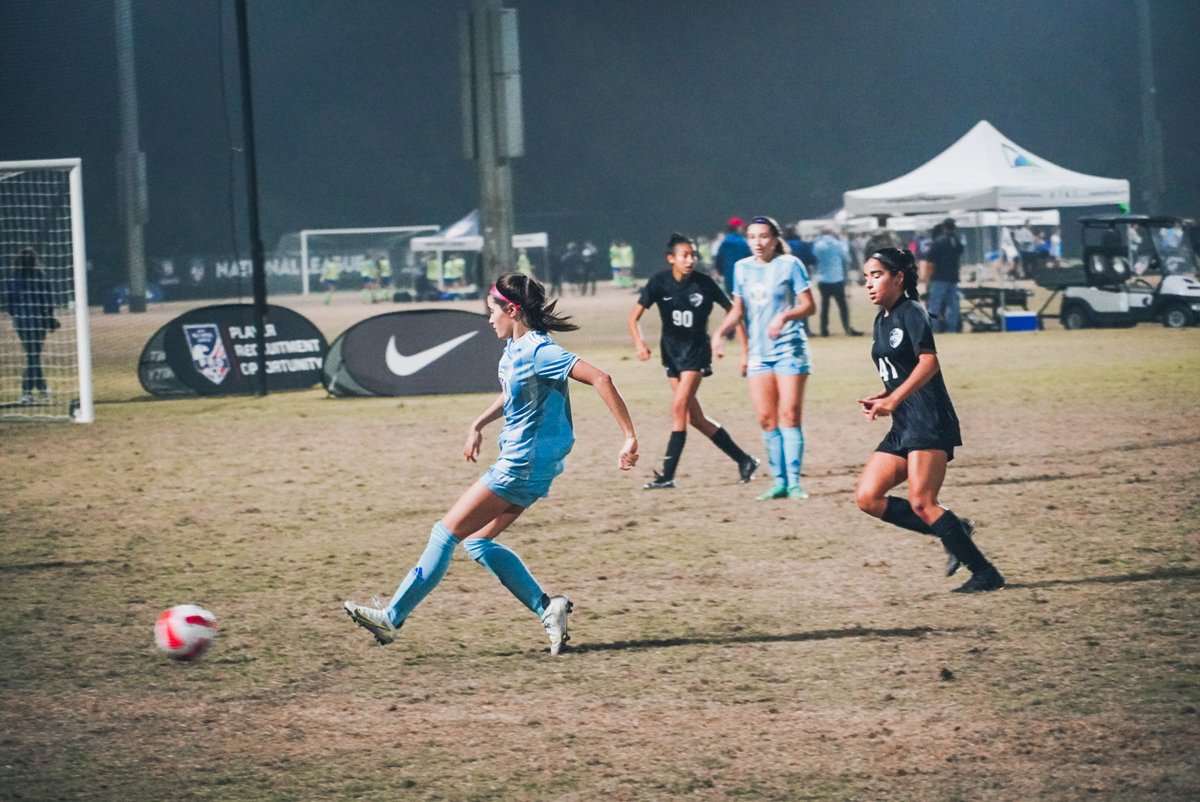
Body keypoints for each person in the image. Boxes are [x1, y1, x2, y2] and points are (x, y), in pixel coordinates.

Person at [344, 273, 639, 654]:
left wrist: (629, 435)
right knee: (478, 544)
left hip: (520, 466)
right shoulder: (515, 351)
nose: (489, 320)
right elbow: (512, 397)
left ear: (512, 310)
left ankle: (392, 618)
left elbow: (601, 377)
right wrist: (478, 424)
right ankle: (547, 608)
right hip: (535, 468)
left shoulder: (538, 350)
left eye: (492, 311)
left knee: (444, 533)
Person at [854, 247, 1005, 593]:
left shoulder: (911, 312)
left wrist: (894, 398)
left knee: (923, 502)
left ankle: (985, 573)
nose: (869, 284)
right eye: (866, 277)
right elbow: (901, 370)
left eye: (876, 275)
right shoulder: (883, 318)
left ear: (898, 277)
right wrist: (884, 394)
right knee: (868, 497)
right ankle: (954, 529)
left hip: (929, 420)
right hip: (904, 422)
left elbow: (928, 362)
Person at [628, 233, 759, 490]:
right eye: (684, 255)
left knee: (678, 410)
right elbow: (633, 318)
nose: (690, 260)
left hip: (696, 354)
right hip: (671, 355)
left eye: (693, 255)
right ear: (671, 259)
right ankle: (745, 460)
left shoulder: (705, 283)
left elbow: (735, 313)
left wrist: (745, 352)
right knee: (695, 418)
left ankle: (667, 475)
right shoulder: (659, 283)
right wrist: (639, 344)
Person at [711, 216, 816, 500]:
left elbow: (809, 306)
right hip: (759, 354)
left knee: (790, 416)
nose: (758, 242)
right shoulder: (741, 268)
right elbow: (737, 309)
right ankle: (778, 482)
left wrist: (784, 315)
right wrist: (720, 332)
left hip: (789, 349)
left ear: (775, 239)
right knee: (767, 419)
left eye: (764, 236)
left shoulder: (790, 265)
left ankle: (794, 483)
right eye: (752, 237)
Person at [4, 247, 57, 405]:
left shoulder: (13, 279)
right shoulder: (40, 277)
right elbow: (47, 301)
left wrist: (18, 316)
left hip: (21, 323)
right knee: (34, 356)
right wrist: (49, 318)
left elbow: (9, 303)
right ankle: (28, 391)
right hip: (38, 322)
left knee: (32, 355)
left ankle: (41, 388)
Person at [811, 226, 863, 337]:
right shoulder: (837, 244)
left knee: (825, 306)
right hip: (836, 279)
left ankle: (823, 330)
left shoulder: (818, 245)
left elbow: (815, 258)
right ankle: (848, 328)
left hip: (823, 279)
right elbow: (847, 258)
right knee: (843, 306)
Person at [920, 218, 965, 333]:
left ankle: (934, 328)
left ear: (944, 227)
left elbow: (930, 261)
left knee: (935, 304)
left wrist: (926, 277)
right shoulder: (957, 241)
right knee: (953, 305)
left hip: (939, 277)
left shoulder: (939, 242)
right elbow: (960, 255)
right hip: (953, 277)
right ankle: (952, 328)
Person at [713, 217, 751, 296]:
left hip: (728, 277)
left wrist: (721, 272)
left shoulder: (723, 243)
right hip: (743, 278)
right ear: (737, 228)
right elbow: (750, 258)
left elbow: (718, 261)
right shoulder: (743, 242)